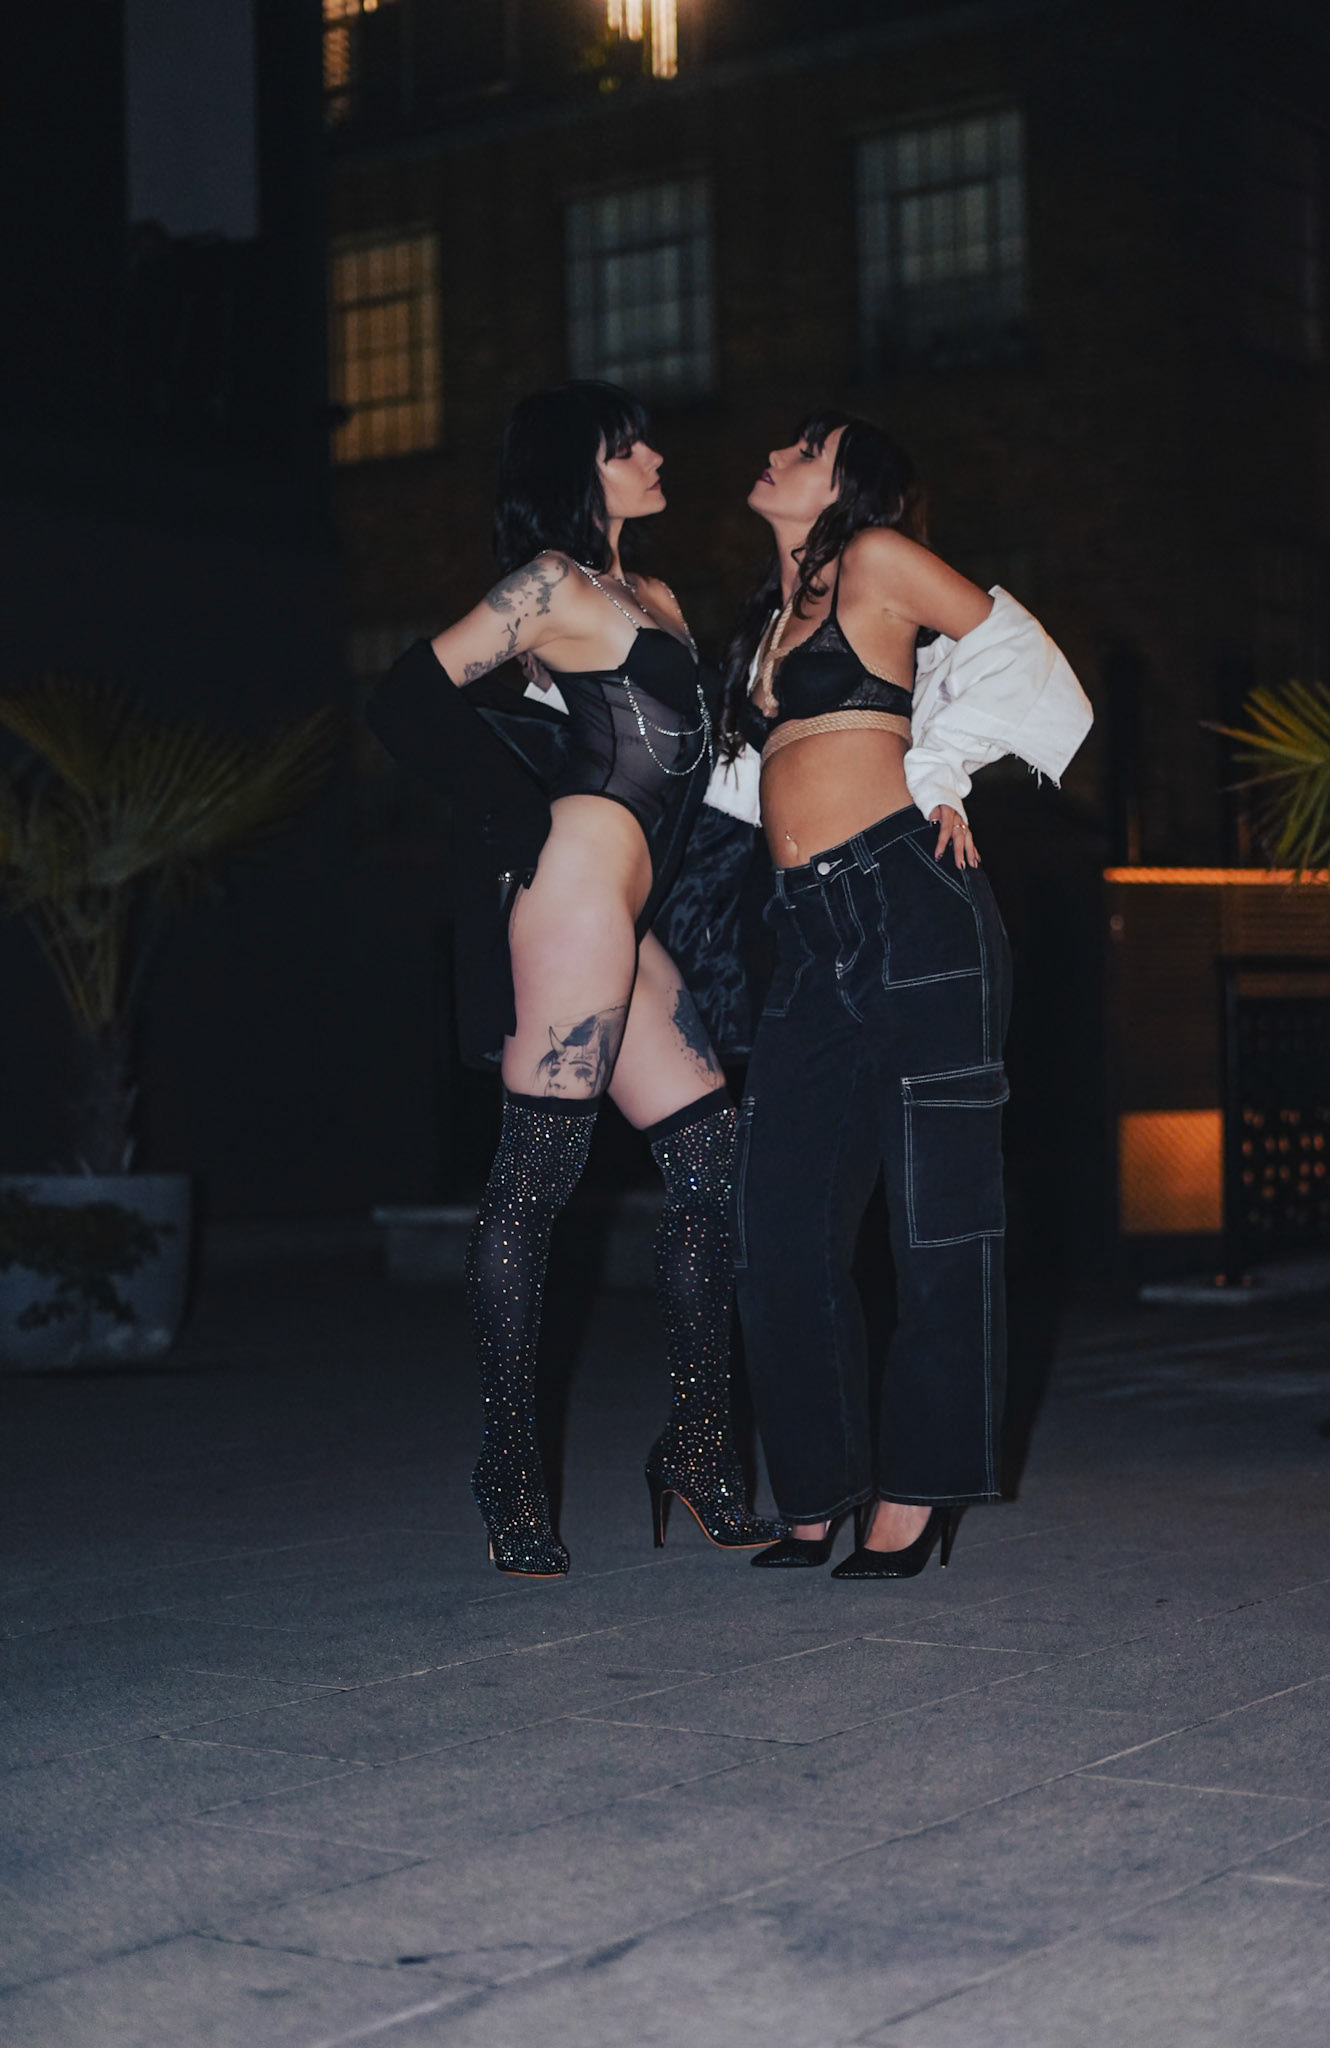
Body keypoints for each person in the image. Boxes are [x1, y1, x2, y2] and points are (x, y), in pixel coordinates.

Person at [368, 381, 784, 1577]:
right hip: (572, 894)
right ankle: (507, 1472)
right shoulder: (550, 584)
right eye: (625, 444)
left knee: (712, 1164)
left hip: (628, 914)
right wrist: (515, 814)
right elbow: (405, 694)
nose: (653, 455)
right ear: (575, 466)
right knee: (534, 1182)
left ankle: (696, 1449)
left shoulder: (650, 594)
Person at [709, 409, 1092, 1579]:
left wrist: (937, 767)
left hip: (908, 906)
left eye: (807, 447)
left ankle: (914, 1493)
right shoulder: (771, 618)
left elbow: (1027, 659)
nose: (779, 452)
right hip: (806, 931)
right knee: (776, 1221)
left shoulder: (876, 558)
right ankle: (816, 1485)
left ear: (849, 484)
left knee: (938, 1217)